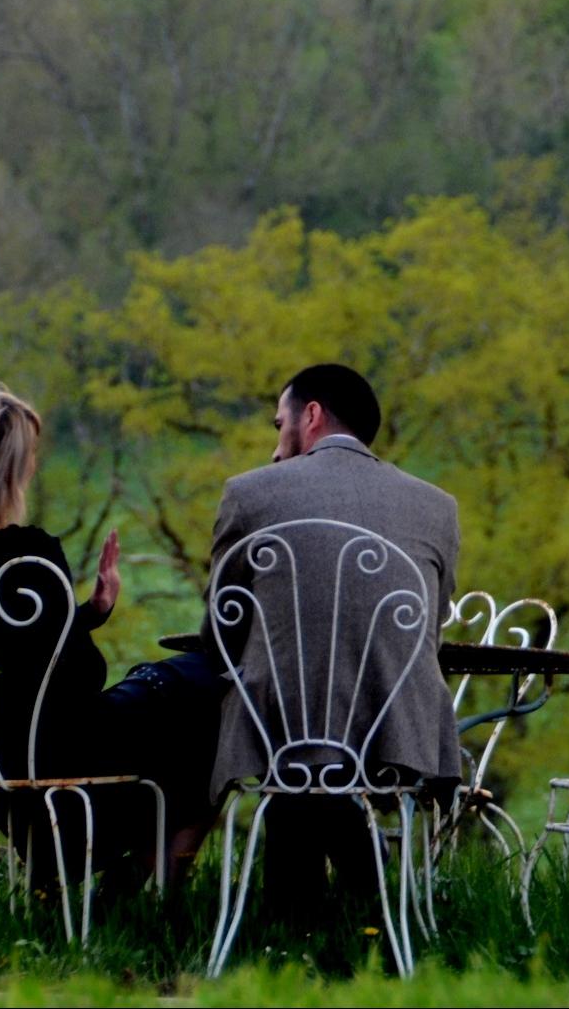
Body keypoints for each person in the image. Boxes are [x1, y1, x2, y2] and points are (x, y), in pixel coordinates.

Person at [0, 381, 222, 890]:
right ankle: (140, 886)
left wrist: (88, 613)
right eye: (30, 455)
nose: (34, 467)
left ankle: (130, 886)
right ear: (7, 467)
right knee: (211, 690)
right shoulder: (31, 555)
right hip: (72, 760)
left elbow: (3, 651)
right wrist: (81, 629)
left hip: (7, 762)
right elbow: (79, 674)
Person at [204, 363, 461, 909]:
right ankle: (365, 917)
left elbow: (220, 632)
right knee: (318, 778)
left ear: (312, 415)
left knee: (289, 755)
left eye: (281, 425)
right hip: (395, 731)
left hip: (279, 731)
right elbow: (429, 629)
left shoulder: (250, 494)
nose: (276, 449)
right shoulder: (438, 506)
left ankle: (293, 928)